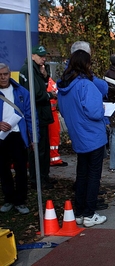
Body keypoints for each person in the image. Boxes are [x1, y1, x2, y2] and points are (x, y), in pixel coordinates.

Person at [57, 49, 107, 227]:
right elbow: (95, 111)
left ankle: (79, 212)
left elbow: (62, 110)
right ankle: (89, 213)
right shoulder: (86, 85)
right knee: (93, 176)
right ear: (87, 64)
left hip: (77, 135)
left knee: (82, 173)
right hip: (93, 135)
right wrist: (102, 108)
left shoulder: (63, 87)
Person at [19, 45, 57, 189]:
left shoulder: (38, 69)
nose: (44, 59)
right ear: (33, 55)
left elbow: (43, 87)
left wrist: (45, 77)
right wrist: (49, 95)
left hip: (43, 114)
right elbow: (34, 95)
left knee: (44, 148)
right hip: (36, 115)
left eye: (44, 56)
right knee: (38, 148)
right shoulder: (27, 70)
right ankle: (37, 180)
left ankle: (44, 176)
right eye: (41, 56)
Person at [0, 63, 36, 214]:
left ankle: (20, 200)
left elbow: (30, 116)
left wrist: (34, 137)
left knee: (21, 168)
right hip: (1, 137)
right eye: (0, 75)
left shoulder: (22, 92)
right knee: (3, 169)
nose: (3, 77)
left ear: (9, 74)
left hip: (18, 135)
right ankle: (9, 199)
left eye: (5, 74)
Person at [47, 77, 68, 167]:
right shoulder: (41, 81)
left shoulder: (50, 80)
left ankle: (54, 158)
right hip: (46, 112)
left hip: (53, 112)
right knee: (50, 137)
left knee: (54, 136)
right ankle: (52, 159)